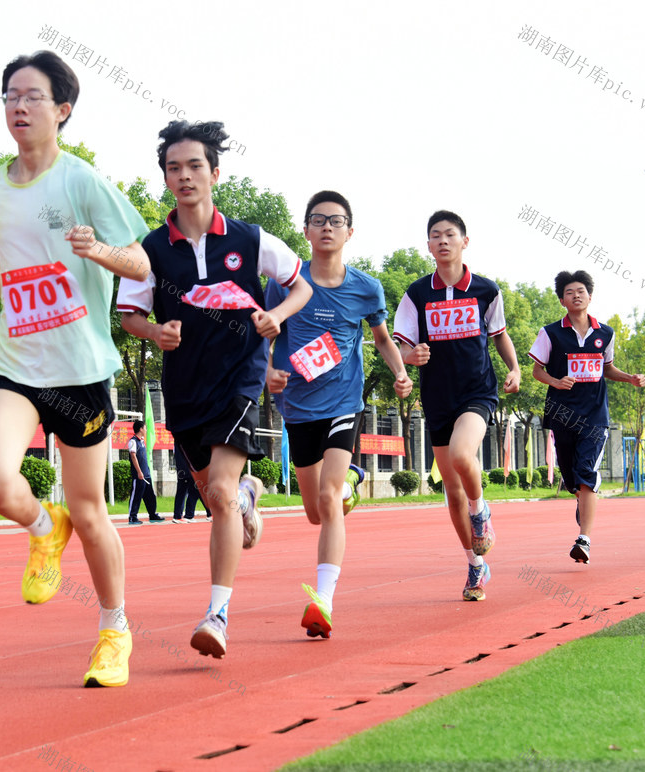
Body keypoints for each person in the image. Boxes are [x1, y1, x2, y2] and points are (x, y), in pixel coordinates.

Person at [0, 51, 151, 687]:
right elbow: (2, 257)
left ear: (62, 110)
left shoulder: (83, 182)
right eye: (9, 95)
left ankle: (114, 631)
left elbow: (144, 260)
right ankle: (44, 529)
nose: (17, 105)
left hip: (79, 369)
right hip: (15, 361)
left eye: (31, 96)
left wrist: (97, 249)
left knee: (91, 510)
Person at [117, 120, 311, 658]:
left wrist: (275, 314)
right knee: (216, 495)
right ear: (165, 178)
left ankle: (217, 615)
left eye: (194, 166)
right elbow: (130, 314)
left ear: (215, 173)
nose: (184, 176)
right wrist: (156, 331)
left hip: (241, 380)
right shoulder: (150, 250)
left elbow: (301, 285)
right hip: (185, 388)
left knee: (219, 493)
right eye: (173, 168)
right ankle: (248, 496)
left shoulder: (250, 240)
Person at [266, 190, 412, 638]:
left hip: (344, 404)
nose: (327, 227)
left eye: (336, 221)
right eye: (318, 220)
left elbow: (383, 339)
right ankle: (350, 480)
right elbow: (266, 334)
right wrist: (268, 373)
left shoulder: (366, 287)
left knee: (329, 501)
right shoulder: (284, 282)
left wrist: (401, 373)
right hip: (297, 407)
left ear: (350, 231)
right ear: (306, 230)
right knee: (314, 511)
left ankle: (323, 601)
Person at [392, 210, 520, 601]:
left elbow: (499, 335)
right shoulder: (417, 294)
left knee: (465, 456)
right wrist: (407, 363)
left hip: (477, 391)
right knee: (451, 490)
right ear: (428, 246)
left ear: (465, 242)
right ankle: (475, 565)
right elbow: (402, 345)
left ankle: (481, 513)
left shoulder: (486, 290)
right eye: (435, 235)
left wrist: (514, 368)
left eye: (450, 234)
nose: (443, 240)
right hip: (437, 397)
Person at [529, 270, 645, 564]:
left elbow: (607, 368)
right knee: (572, 479)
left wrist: (629, 378)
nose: (576, 295)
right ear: (561, 300)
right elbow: (537, 370)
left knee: (586, 473)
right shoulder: (550, 333)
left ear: (590, 296)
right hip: (561, 413)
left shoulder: (605, 333)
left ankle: (584, 539)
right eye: (570, 292)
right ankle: (582, 497)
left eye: (581, 290)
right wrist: (556, 381)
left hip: (595, 415)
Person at [127, 420, 163, 524]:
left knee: (150, 496)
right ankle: (132, 517)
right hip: (139, 475)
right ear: (140, 429)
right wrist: (139, 472)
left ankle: (152, 515)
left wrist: (146, 471)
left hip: (146, 474)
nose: (146, 430)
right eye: (145, 428)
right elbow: (133, 456)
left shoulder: (142, 441)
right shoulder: (133, 441)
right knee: (136, 496)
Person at [172, 447, 204, 521]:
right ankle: (185, 515)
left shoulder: (178, 442)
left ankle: (183, 515)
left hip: (182, 470)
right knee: (194, 491)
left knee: (185, 491)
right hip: (188, 470)